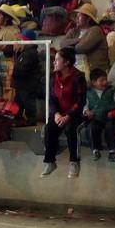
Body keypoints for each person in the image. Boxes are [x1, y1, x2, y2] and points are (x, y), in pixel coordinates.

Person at [41, 47, 86, 178]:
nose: (54, 62)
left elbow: (81, 101)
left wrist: (68, 116)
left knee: (71, 129)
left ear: (66, 62)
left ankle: (74, 162)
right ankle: (50, 162)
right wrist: (56, 114)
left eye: (57, 60)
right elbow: (51, 99)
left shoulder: (78, 77)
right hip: (59, 114)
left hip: (75, 115)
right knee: (49, 128)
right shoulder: (53, 77)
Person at [84, 68, 115, 161]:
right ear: (93, 82)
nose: (105, 82)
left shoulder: (111, 90)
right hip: (96, 117)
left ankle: (112, 151)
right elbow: (85, 105)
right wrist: (87, 112)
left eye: (105, 79)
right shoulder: (88, 93)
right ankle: (95, 150)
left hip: (109, 117)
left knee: (111, 127)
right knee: (91, 128)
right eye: (102, 80)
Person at [61, 3, 109, 75]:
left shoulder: (96, 30)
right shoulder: (74, 30)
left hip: (93, 71)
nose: (76, 19)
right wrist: (78, 40)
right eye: (77, 16)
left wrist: (70, 46)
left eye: (79, 16)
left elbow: (81, 47)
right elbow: (62, 43)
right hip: (76, 68)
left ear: (88, 18)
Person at [12, 29, 40, 126]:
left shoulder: (30, 53)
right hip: (22, 84)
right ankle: (18, 118)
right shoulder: (25, 53)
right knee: (19, 102)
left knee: (28, 102)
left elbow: (22, 68)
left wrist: (14, 74)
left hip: (27, 84)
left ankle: (31, 120)